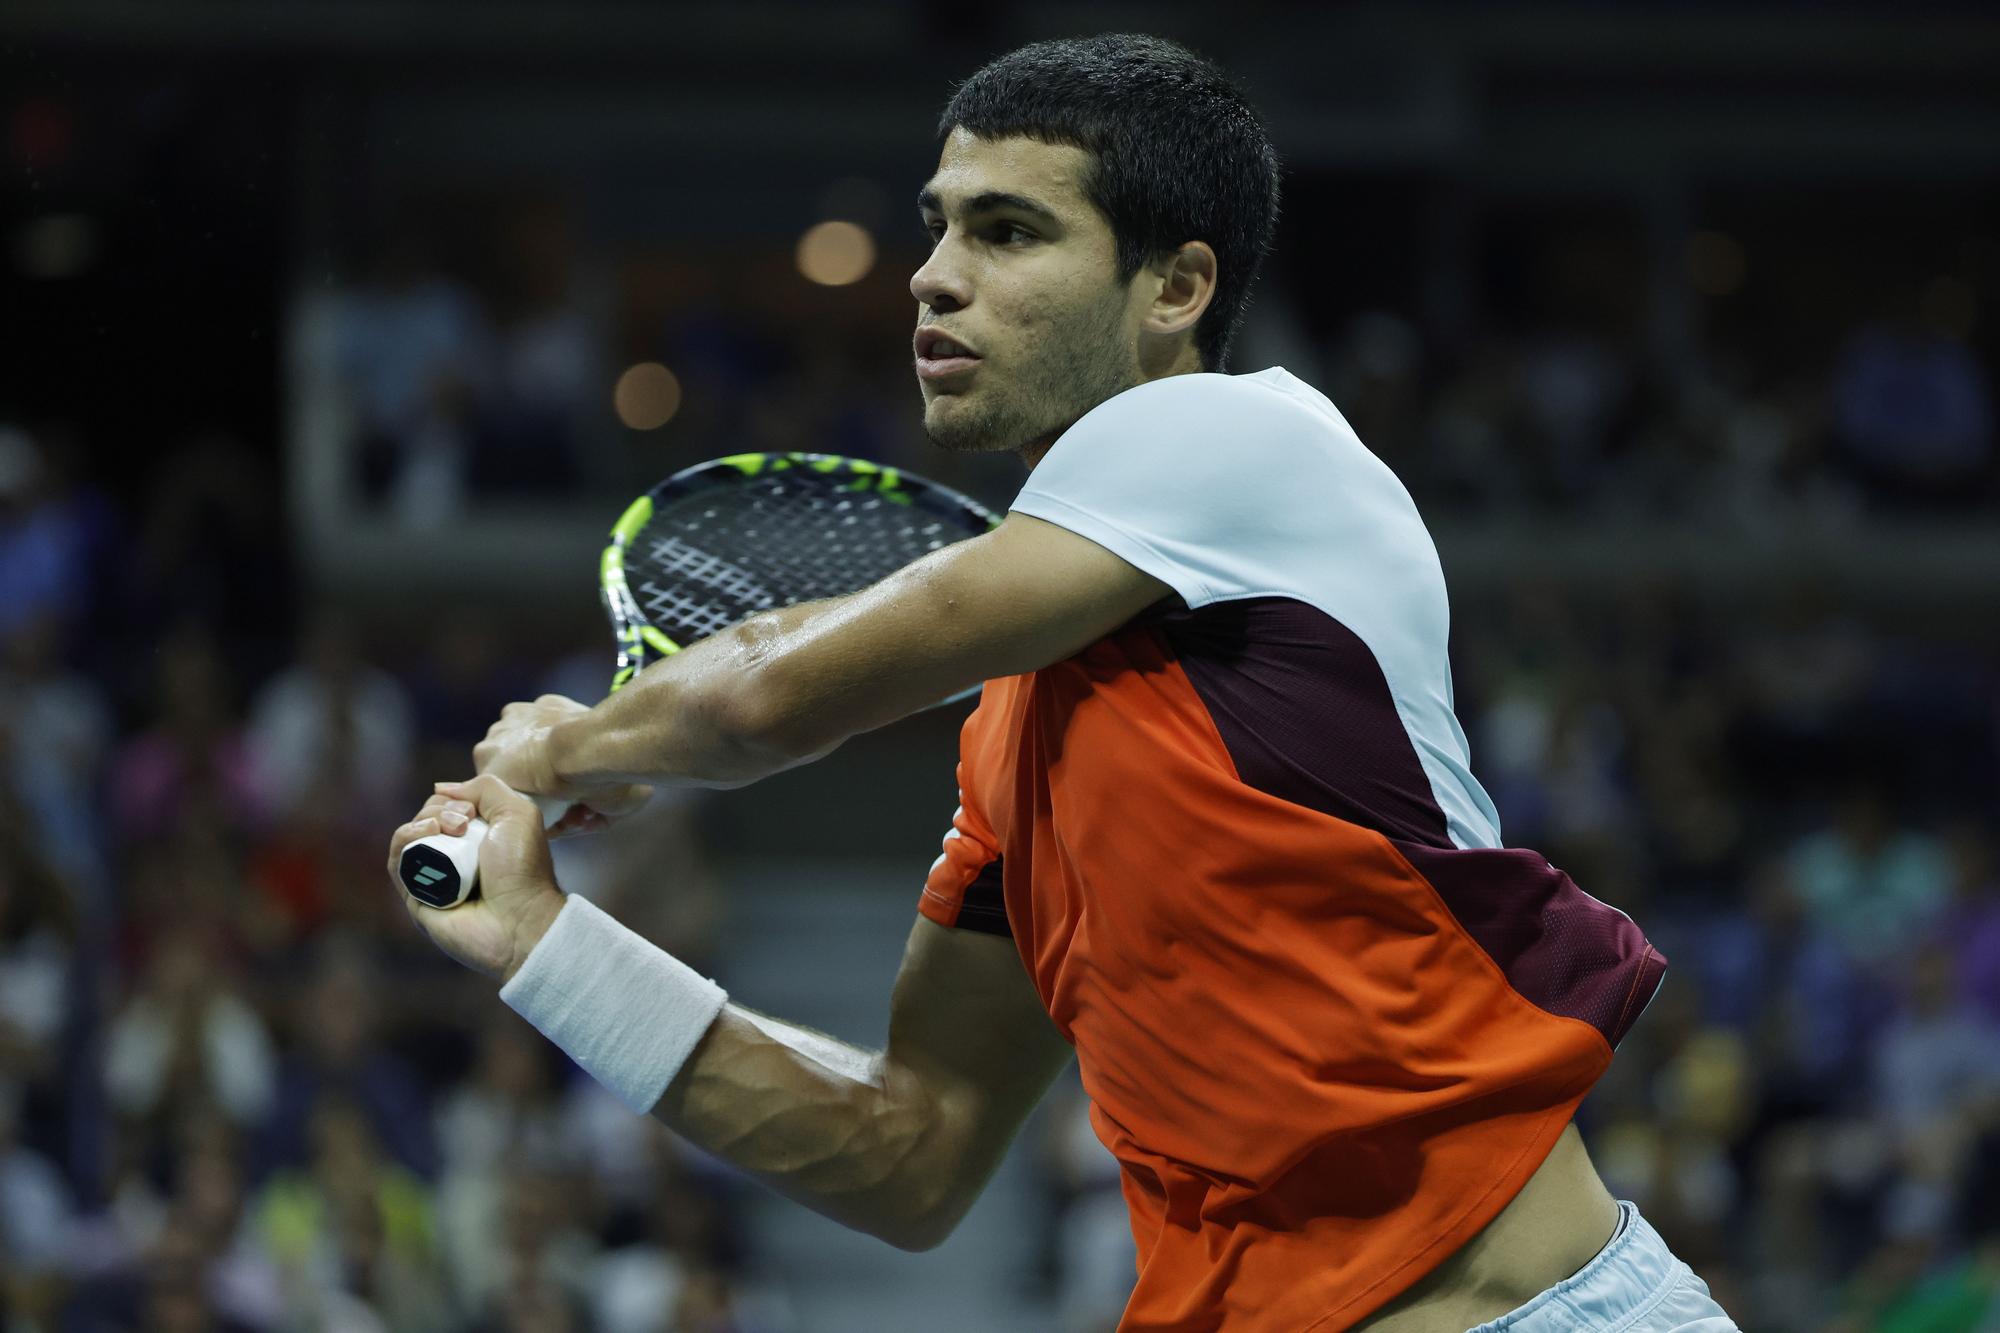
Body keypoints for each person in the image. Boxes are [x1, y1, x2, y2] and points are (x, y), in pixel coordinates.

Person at [387, 34, 1736, 1332]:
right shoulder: (1018, 750)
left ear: (1176, 288)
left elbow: (760, 699)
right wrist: (546, 948)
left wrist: (571, 745)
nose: (932, 275)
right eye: (937, 225)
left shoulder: (1245, 435)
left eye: (1008, 231)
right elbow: (906, 1149)